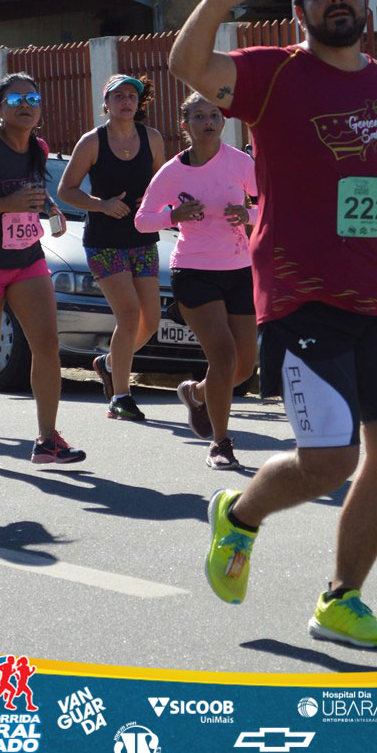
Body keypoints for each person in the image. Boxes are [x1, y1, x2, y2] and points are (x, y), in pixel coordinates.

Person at [167, 0, 377, 648]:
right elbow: (187, 65)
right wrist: (216, 2)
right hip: (302, 294)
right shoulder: (273, 73)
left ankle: (341, 600)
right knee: (330, 460)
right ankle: (238, 516)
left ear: (365, 0)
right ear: (299, 6)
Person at [0, 72, 86, 467]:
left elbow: (29, 195)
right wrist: (7, 204)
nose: (26, 105)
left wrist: (49, 207)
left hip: (27, 258)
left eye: (33, 99)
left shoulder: (38, 147)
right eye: (15, 99)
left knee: (47, 344)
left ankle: (47, 440)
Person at [135, 92, 258, 470]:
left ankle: (198, 394)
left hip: (239, 269)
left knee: (243, 368)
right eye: (200, 116)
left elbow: (272, 204)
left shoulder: (240, 162)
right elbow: (142, 220)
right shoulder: (173, 173)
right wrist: (173, 216)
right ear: (185, 125)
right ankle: (221, 443)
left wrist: (248, 214)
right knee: (223, 355)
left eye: (215, 115)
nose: (209, 122)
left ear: (224, 122)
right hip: (193, 271)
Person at [58, 74, 164, 420]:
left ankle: (107, 363)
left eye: (131, 95)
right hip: (104, 242)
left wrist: (155, 202)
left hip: (142, 239)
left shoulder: (152, 138)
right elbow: (66, 190)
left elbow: (162, 183)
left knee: (151, 321)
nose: (126, 101)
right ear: (106, 103)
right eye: (118, 96)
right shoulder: (93, 141)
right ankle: (121, 396)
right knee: (129, 315)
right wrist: (101, 205)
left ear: (138, 102)